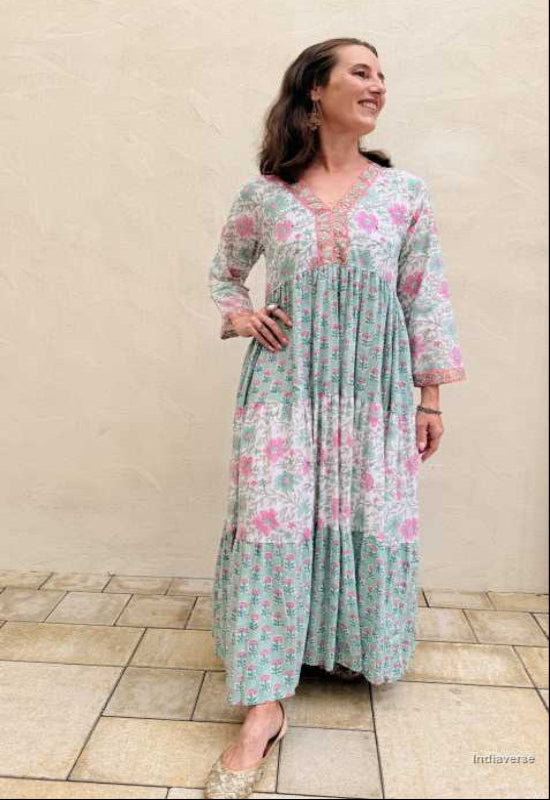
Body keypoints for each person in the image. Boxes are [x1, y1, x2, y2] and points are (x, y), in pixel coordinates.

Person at [204, 36, 467, 798]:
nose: (378, 85)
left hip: (374, 394)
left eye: (383, 75)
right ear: (314, 90)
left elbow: (426, 294)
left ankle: (343, 645)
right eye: (361, 72)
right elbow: (224, 273)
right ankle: (263, 703)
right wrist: (240, 316)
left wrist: (431, 396)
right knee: (272, 521)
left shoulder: (404, 192)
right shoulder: (265, 193)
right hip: (286, 389)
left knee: (363, 515)